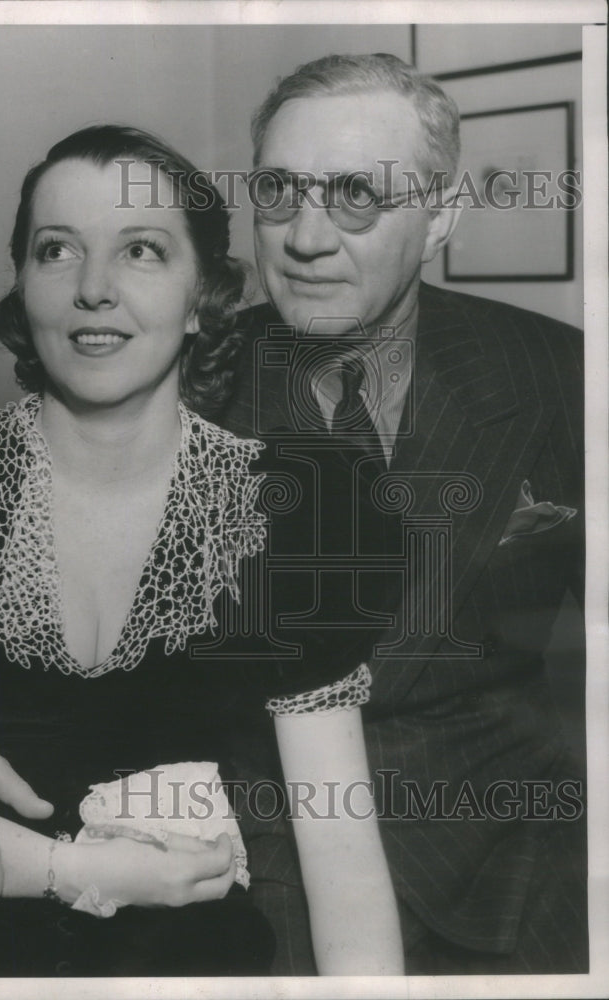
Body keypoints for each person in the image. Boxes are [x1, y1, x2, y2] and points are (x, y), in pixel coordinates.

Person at [0, 123, 402, 976]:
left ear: (202, 298)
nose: (94, 289)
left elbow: (341, 855)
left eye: (141, 250)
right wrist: (77, 873)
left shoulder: (301, 506)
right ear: (22, 285)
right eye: (56, 251)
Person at [219, 53, 587, 974]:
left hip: (517, 861)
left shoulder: (560, 375)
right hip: (252, 866)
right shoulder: (182, 379)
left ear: (441, 217)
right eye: (278, 191)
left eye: (356, 196)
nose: (305, 237)